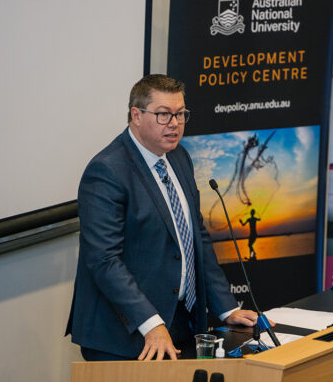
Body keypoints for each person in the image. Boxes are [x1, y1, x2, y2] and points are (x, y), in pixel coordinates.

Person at [66, 74, 259, 361]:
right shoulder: (107, 172)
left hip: (178, 322)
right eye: (163, 115)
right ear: (136, 115)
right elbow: (104, 261)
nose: (175, 123)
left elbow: (196, 238)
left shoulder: (179, 158)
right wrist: (151, 323)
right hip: (123, 336)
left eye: (180, 114)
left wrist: (226, 308)